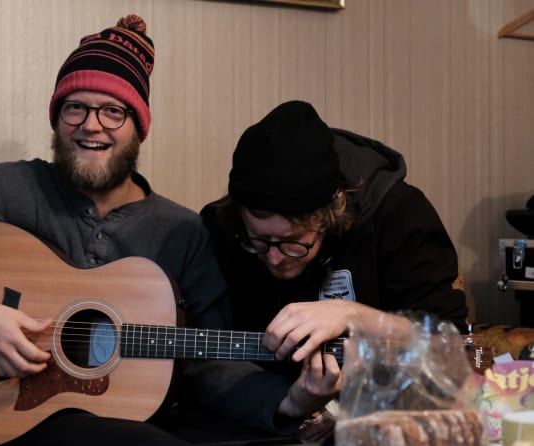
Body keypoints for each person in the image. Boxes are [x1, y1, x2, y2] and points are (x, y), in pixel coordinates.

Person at [0, 15, 230, 446]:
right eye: (75, 106)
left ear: (139, 127)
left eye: (113, 111)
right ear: (57, 117)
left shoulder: (181, 230)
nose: (91, 125)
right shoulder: (8, 187)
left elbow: (214, 353)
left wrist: (288, 402)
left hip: (110, 419)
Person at [191, 100, 469, 441]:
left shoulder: (399, 215)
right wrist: (290, 404)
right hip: (263, 415)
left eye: (294, 242)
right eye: (260, 241)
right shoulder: (219, 227)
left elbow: (450, 343)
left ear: (335, 207)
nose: (275, 258)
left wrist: (353, 316)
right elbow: (205, 362)